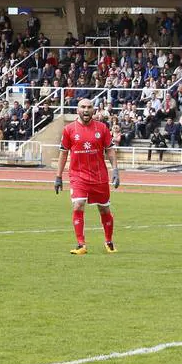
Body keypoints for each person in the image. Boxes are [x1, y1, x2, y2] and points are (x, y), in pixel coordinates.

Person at [54, 98, 120, 254]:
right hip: (78, 175)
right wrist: (58, 177)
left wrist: (115, 170)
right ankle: (81, 244)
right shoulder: (69, 129)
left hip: (99, 176)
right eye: (83, 107)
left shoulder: (102, 128)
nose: (86, 110)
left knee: (104, 209)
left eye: (89, 107)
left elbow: (110, 150)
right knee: (78, 205)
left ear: (93, 110)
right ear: (78, 110)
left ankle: (109, 242)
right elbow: (63, 154)